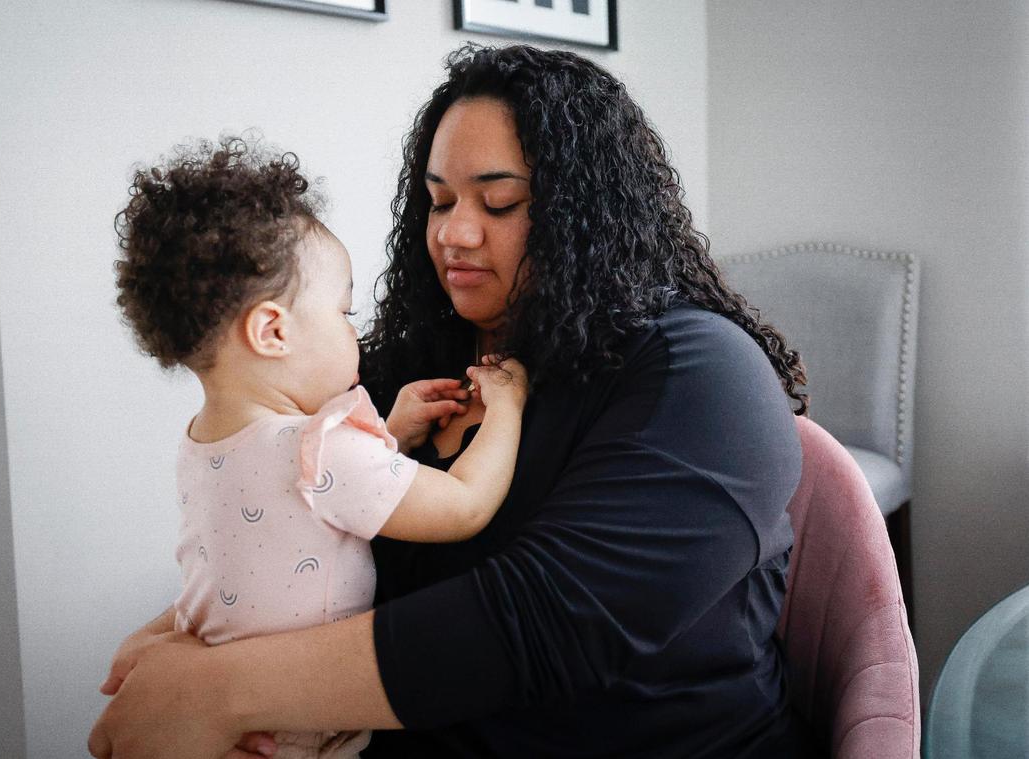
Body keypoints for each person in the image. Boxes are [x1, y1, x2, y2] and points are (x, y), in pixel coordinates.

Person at [90, 44, 820, 759]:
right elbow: (288, 535)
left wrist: (218, 689)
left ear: (587, 212)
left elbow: (541, 622)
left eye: (499, 202)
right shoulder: (404, 370)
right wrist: (178, 646)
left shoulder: (704, 379)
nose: (454, 234)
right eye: (439, 201)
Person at [108, 139, 528, 758]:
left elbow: (302, 511)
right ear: (273, 331)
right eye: (343, 312)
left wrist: (391, 432)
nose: (354, 332)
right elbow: (463, 505)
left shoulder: (202, 445)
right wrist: (509, 409)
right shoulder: (321, 449)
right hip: (297, 729)